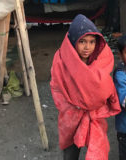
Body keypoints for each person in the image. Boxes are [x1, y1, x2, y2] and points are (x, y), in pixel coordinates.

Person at [50, 14, 121, 160]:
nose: (87, 47)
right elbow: (56, 88)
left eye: (92, 42)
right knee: (70, 151)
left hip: (95, 115)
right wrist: (71, 108)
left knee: (97, 149)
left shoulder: (101, 60)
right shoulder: (61, 61)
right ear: (73, 41)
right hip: (71, 115)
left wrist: (91, 104)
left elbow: (106, 87)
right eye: (82, 41)